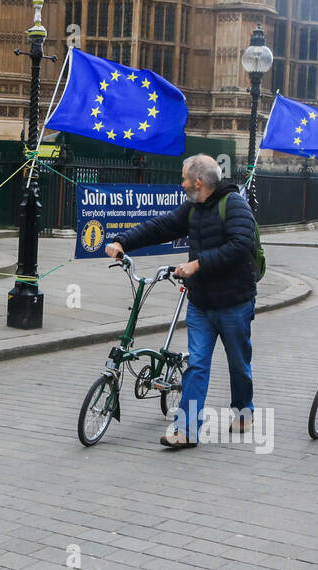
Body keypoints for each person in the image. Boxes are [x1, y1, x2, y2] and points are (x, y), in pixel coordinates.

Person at [103, 154, 258, 449]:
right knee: (197, 364)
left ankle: (243, 409)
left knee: (238, 364)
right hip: (201, 301)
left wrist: (197, 265)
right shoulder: (194, 208)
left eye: (184, 177)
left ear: (198, 182)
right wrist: (123, 240)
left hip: (234, 302)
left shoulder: (235, 205)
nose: (182, 182)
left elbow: (241, 245)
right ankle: (186, 431)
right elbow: (161, 227)